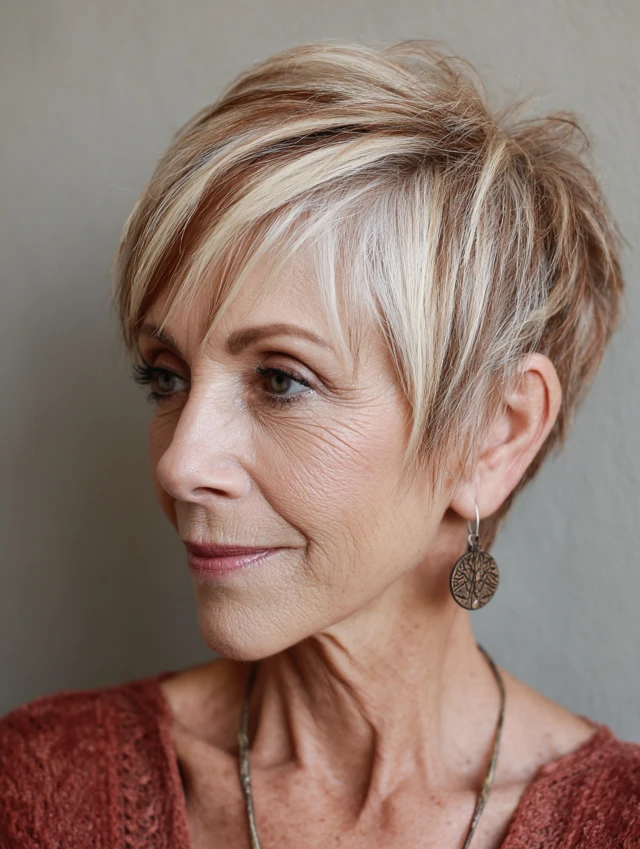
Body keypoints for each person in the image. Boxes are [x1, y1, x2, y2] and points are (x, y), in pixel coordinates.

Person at [1, 38, 638, 849]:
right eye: (166, 377)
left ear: (493, 434)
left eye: (280, 380)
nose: (179, 464)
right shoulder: (38, 793)